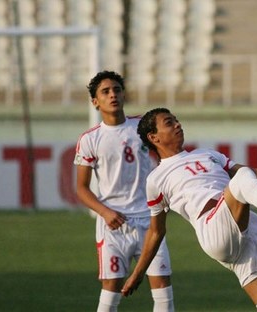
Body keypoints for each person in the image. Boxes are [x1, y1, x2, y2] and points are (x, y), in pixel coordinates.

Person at [120, 107, 257, 312]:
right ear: (154, 137)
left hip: (246, 226)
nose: (178, 124)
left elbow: (254, 175)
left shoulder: (207, 154)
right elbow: (156, 231)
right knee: (242, 177)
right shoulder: (156, 178)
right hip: (212, 228)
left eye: (176, 120)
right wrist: (138, 274)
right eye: (169, 123)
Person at [74, 71, 174, 312]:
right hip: (113, 225)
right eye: (105, 92)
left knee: (162, 290)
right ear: (95, 102)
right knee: (110, 291)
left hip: (150, 221)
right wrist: (106, 212)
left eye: (117, 89)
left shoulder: (142, 127)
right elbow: (81, 188)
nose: (113, 95)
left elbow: (168, 154)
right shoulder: (90, 139)